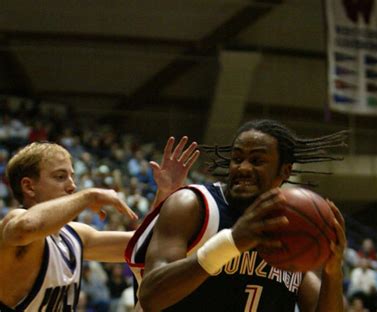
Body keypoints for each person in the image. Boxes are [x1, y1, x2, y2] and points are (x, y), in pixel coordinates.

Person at [126, 119, 348, 311]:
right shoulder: (194, 206)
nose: (243, 168)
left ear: (285, 171)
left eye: (257, 161)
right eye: (237, 158)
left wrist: (333, 272)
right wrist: (231, 242)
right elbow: (150, 296)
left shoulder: (295, 228)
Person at [0, 136, 199, 311]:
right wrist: (89, 196)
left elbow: (143, 244)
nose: (72, 186)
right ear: (29, 186)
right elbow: (26, 227)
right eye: (60, 177)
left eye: (72, 176)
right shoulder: (15, 221)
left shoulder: (74, 235)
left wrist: (165, 192)